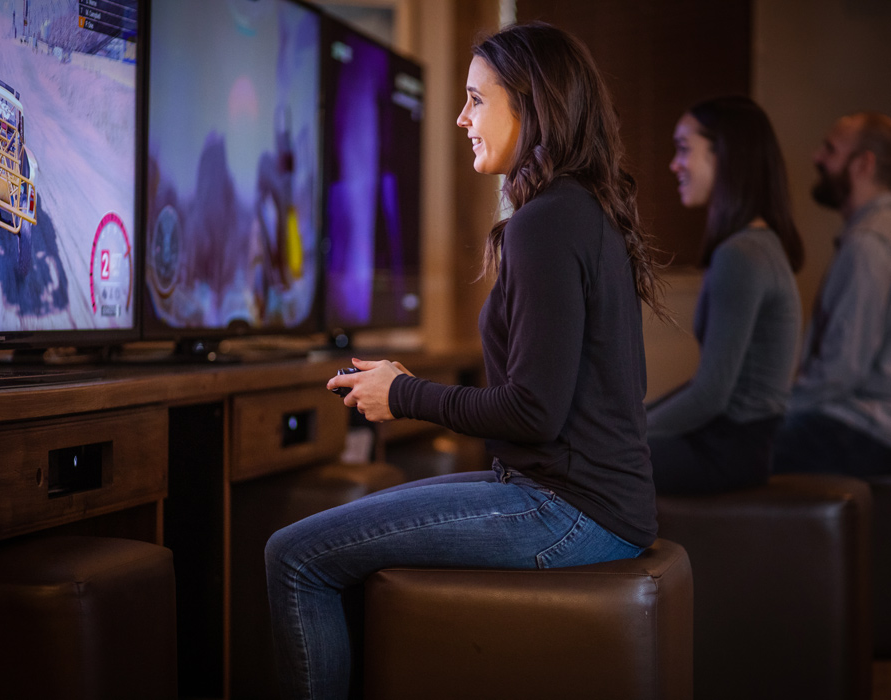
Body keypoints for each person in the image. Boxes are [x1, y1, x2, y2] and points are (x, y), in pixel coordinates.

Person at [264, 22, 667, 700]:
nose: (461, 117)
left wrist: (404, 393)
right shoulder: (577, 209)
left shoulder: (547, 222)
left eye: (477, 99)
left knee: (294, 557)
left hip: (570, 513)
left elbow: (533, 410)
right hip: (585, 503)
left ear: (530, 104)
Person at [646, 96, 804, 494]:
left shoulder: (742, 254)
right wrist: (632, 423)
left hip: (728, 452)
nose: (674, 164)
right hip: (736, 447)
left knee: (576, 466)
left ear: (727, 157)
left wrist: (622, 437)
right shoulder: (756, 246)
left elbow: (711, 394)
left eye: (684, 149)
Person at [772, 111, 891, 476]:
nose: (817, 158)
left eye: (831, 149)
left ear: (863, 164)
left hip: (863, 427)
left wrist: (776, 407)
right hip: (864, 423)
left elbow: (842, 371)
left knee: (728, 450)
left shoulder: (868, 242)